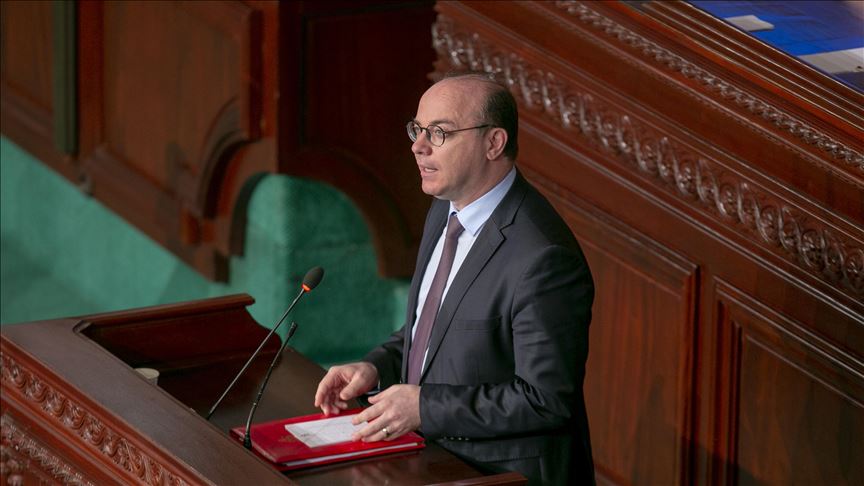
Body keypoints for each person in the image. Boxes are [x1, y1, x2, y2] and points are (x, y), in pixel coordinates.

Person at [314, 72, 595, 485]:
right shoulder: (445, 209)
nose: (418, 146)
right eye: (418, 130)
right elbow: (435, 329)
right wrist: (375, 367)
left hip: (501, 475)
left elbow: (545, 400)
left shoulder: (543, 257)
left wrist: (425, 408)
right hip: (432, 461)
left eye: (440, 133)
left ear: (493, 143)